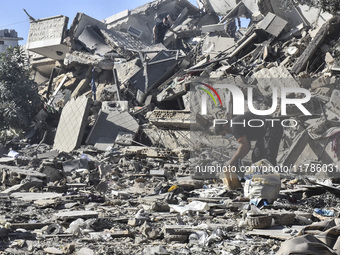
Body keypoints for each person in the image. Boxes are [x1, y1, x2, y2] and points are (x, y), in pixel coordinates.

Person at [215, 112, 283, 189]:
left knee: (268, 158)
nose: (226, 136)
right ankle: (259, 181)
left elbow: (245, 146)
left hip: (271, 128)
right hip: (264, 132)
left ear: (225, 127)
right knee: (256, 156)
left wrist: (232, 161)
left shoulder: (234, 126)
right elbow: (247, 146)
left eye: (224, 134)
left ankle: (273, 184)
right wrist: (236, 160)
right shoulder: (235, 124)